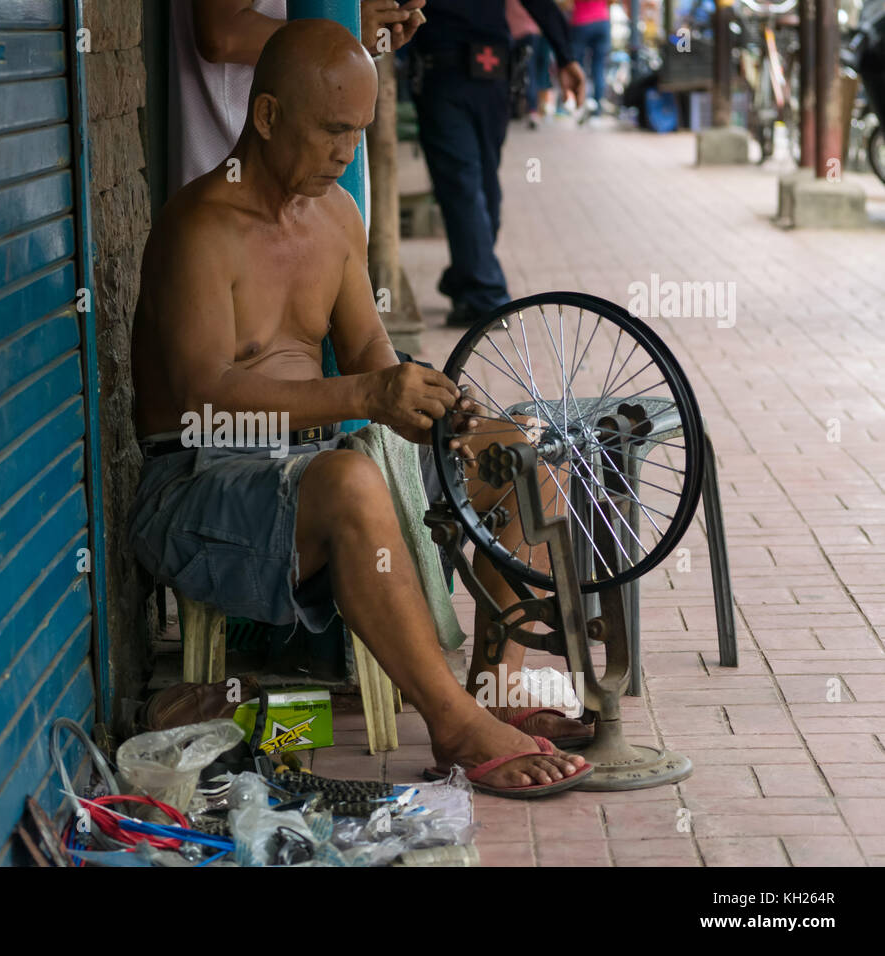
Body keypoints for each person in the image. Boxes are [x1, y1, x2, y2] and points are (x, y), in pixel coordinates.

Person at [131, 19, 592, 795]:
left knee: (522, 456)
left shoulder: (338, 216)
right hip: (199, 484)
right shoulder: (198, 225)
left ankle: (496, 688)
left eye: (360, 133)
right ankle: (455, 726)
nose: (347, 152)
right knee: (347, 479)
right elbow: (202, 399)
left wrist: (437, 409)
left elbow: (373, 359)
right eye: (332, 131)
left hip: (315, 460)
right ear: (268, 116)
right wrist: (366, 397)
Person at [409, 1, 585, 327]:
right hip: (484, 76)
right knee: (476, 183)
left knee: (470, 183)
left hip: (457, 76)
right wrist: (566, 56)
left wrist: (566, 56)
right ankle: (473, 281)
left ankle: (480, 290)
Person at [168, 0, 427, 196]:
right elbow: (222, 35)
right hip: (235, 163)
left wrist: (373, 38)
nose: (348, 154)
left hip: (314, 188)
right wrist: (344, 29)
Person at [570, 0, 612, 123]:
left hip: (581, 22)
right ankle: (597, 111)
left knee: (578, 66)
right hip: (602, 21)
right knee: (599, 68)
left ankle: (582, 105)